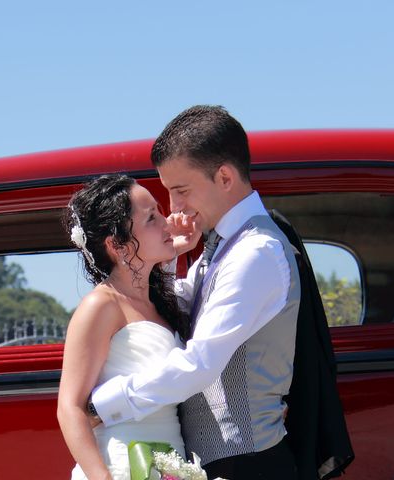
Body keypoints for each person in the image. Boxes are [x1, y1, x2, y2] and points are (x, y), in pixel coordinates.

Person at [89, 105, 301, 479]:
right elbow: (170, 314)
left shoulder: (254, 252)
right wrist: (171, 256)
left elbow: (200, 362)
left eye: (180, 190)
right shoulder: (222, 247)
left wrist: (109, 403)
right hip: (223, 461)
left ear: (224, 177)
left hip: (249, 463)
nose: (175, 208)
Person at [57, 174, 194, 480]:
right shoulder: (101, 305)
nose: (167, 222)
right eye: (151, 218)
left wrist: (181, 245)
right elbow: (69, 408)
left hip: (170, 460)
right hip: (119, 464)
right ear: (116, 245)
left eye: (160, 212)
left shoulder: (155, 300)